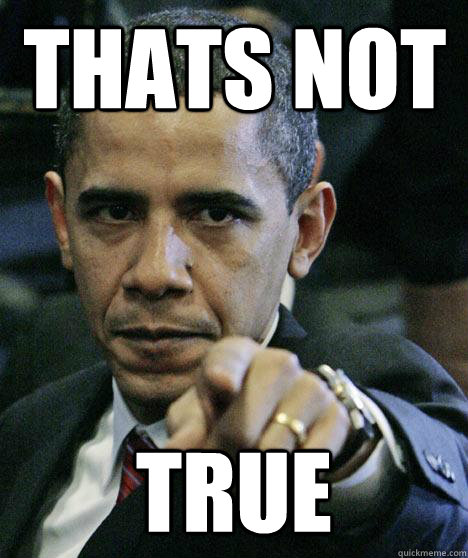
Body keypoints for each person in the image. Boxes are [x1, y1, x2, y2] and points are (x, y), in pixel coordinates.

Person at [0, 9, 466, 558]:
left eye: (216, 215)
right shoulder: (30, 421)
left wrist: (354, 463)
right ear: (61, 222)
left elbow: (436, 497)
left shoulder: (366, 381)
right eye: (114, 212)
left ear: (306, 231)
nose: (155, 273)